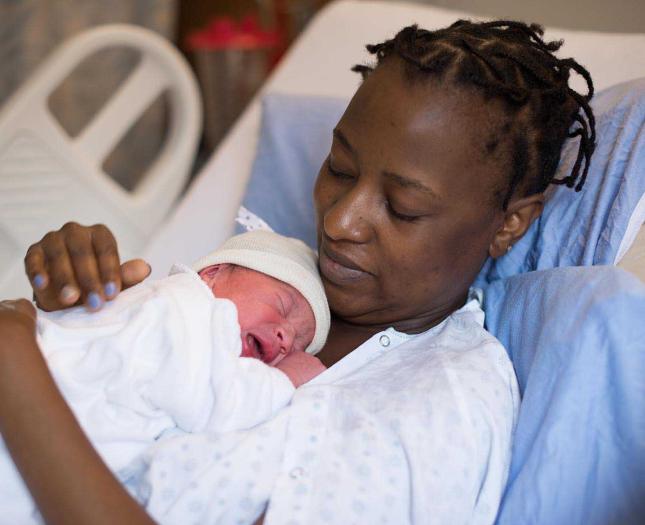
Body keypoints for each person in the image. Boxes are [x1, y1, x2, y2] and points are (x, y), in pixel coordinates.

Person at [0, 19, 595, 525]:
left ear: (510, 225)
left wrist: (19, 374)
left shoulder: (436, 409)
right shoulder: (267, 272)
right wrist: (82, 321)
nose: (340, 221)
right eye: (339, 167)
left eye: (403, 207)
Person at [0, 230, 329, 523]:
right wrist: (286, 379)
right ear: (213, 274)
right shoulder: (189, 311)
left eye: (298, 346)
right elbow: (215, 404)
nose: (286, 338)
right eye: (283, 306)